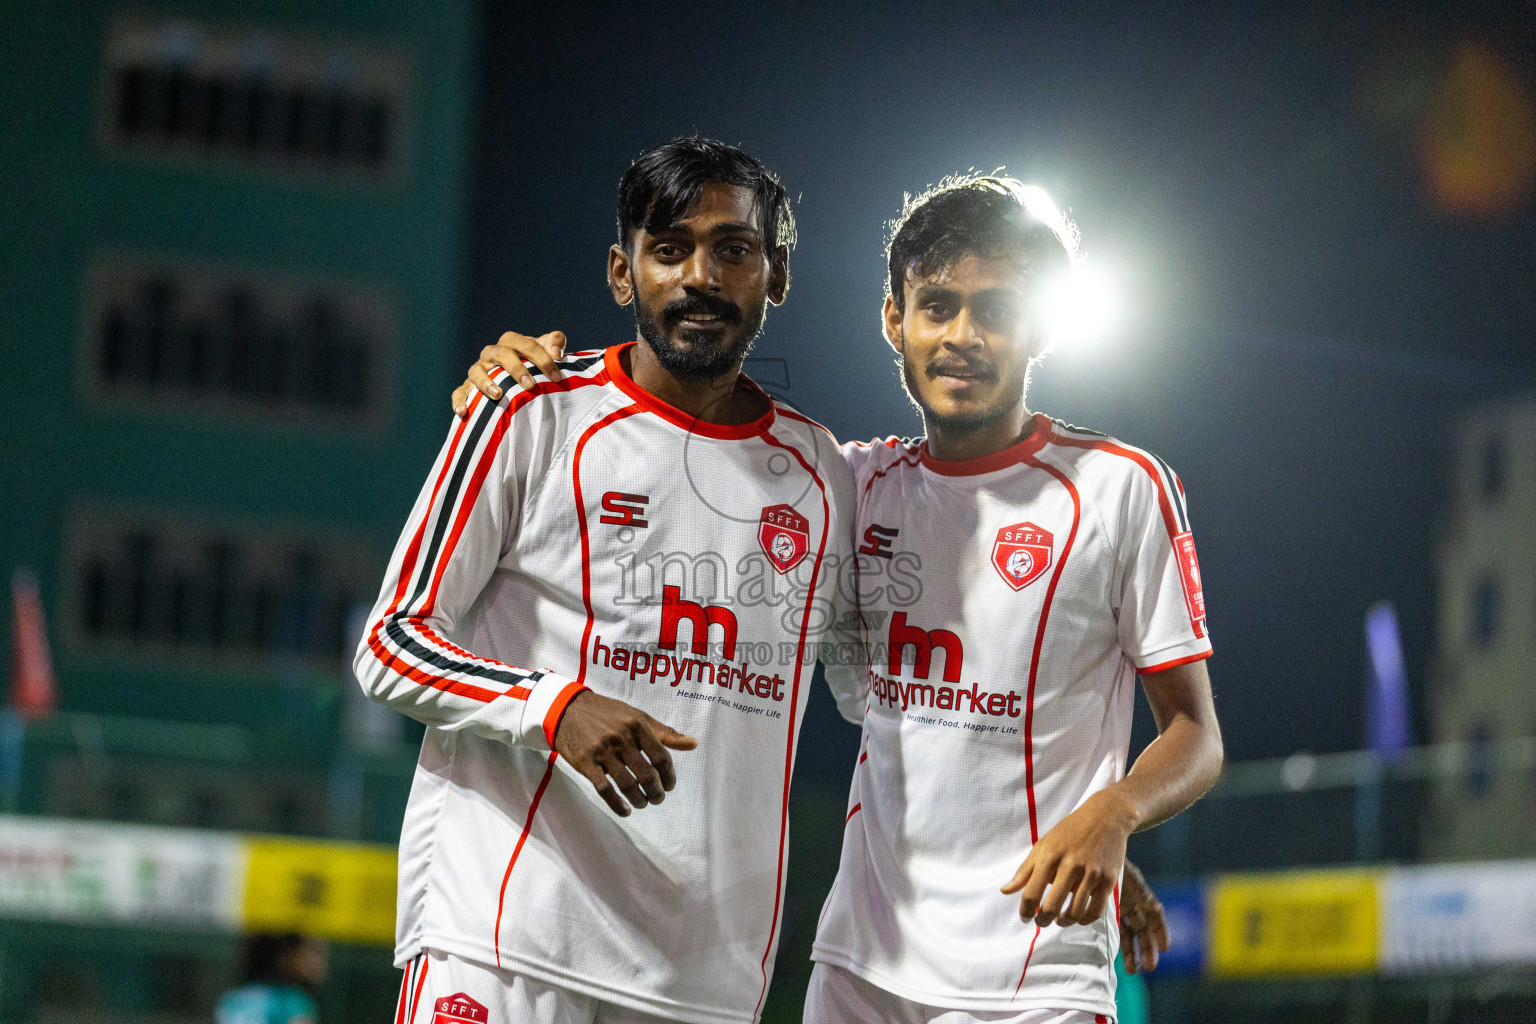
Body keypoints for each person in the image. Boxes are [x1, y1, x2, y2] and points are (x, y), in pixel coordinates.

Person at [458, 170, 1220, 1024]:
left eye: (996, 310)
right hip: (862, 962)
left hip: (1033, 969)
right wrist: (524, 377)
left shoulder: (1121, 489)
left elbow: (1194, 734)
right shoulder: (847, 488)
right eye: (936, 306)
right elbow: (688, 460)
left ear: (1040, 327)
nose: (962, 335)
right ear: (894, 319)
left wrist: (1111, 817)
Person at [355, 138, 863, 1024]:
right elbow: (390, 641)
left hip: (703, 980)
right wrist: (556, 709)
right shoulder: (528, 410)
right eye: (669, 248)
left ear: (775, 275)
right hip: (508, 938)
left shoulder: (823, 474)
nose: (701, 275)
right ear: (622, 273)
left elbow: (889, 694)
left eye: (734, 249)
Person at [216, 933, 327, 1024]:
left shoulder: (232, 999)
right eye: (311, 951)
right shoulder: (294, 1001)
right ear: (286, 956)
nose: (318, 961)